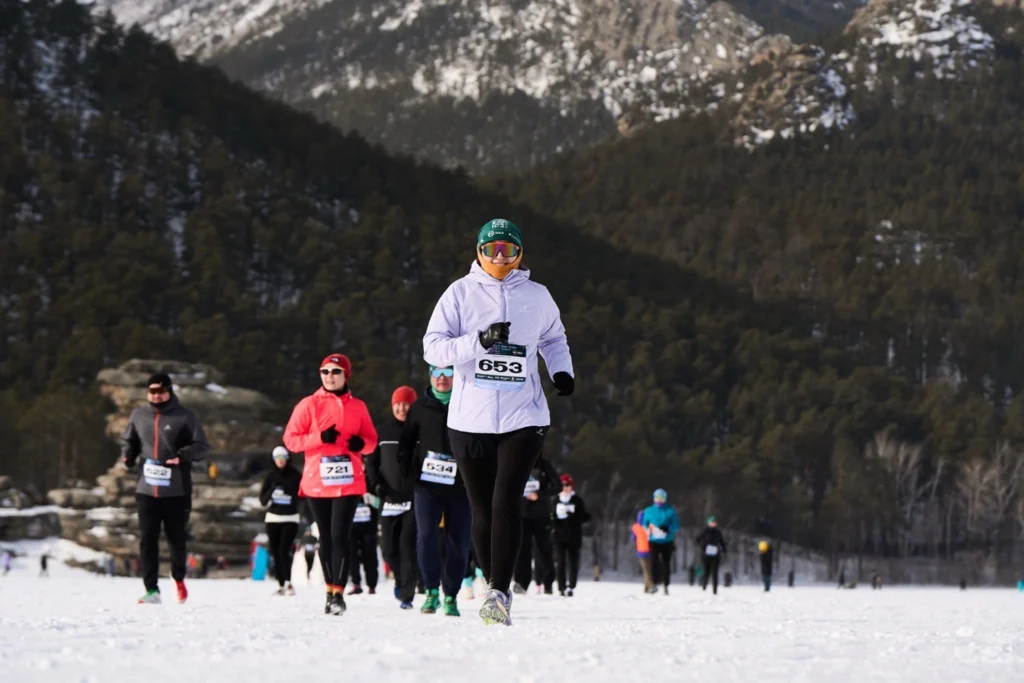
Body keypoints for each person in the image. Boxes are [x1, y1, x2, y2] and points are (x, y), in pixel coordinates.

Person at [423, 218, 574, 626]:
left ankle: (499, 593)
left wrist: (561, 370)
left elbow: (553, 338)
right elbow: (432, 348)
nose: (500, 257)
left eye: (508, 249)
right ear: (479, 252)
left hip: (523, 415)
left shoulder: (538, 296)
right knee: (482, 509)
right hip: (469, 418)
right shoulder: (459, 293)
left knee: (506, 501)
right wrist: (479, 341)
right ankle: (494, 579)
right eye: (492, 250)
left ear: (520, 253)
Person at [283, 353, 378, 616]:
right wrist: (318, 438)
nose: (330, 376)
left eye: (335, 372)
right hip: (317, 481)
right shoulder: (308, 404)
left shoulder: (358, 406)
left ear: (346, 375)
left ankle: (339, 592)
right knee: (326, 537)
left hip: (348, 482)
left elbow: (371, 440)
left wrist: (362, 445)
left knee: (340, 535)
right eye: (325, 371)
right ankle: (329, 590)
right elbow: (291, 440)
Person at [121, 372, 209, 605]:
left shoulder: (185, 416)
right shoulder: (139, 415)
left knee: (176, 539)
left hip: (177, 490)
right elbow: (128, 441)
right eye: (152, 392)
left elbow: (201, 446)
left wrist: (182, 456)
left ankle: (178, 577)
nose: (156, 396)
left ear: (169, 391)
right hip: (146, 489)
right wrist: (127, 456)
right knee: (147, 538)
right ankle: (152, 589)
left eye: (161, 391)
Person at [399, 365, 473, 617]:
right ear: (429, 375)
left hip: (461, 486)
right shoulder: (419, 407)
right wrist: (408, 474)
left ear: (457, 376)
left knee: (459, 541)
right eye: (437, 372)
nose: (442, 378)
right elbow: (406, 444)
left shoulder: (469, 402)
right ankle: (431, 592)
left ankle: (451, 595)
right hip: (427, 485)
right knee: (426, 536)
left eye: (448, 372)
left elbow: (484, 441)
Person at [365, 385, 419, 609]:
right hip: (388, 498)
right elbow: (371, 463)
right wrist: (375, 483)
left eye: (406, 403)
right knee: (389, 550)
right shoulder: (382, 431)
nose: (401, 408)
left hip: (414, 498)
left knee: (407, 546)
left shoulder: (420, 431)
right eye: (397, 404)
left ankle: (407, 594)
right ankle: (400, 578)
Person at [258, 446, 301, 595]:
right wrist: (272, 490)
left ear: (287, 459)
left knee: (284, 550)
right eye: (277, 459)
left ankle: (288, 582)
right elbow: (262, 500)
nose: (280, 461)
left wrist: (288, 490)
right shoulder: (270, 476)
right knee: (275, 551)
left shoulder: (295, 475)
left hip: (290, 518)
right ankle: (280, 583)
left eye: (283, 458)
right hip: (273, 518)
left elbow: (301, 495)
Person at [514, 454, 560, 594]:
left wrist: (539, 494)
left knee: (543, 549)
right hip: (522, 514)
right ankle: (521, 583)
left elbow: (557, 486)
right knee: (522, 550)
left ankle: (548, 583)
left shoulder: (545, 465)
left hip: (542, 514)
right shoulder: (516, 463)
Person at [551, 473, 590, 597]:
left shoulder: (577, 500)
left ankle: (571, 585)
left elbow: (586, 516)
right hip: (559, 537)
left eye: (567, 485)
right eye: (562, 485)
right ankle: (561, 587)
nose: (565, 487)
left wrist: (573, 516)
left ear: (571, 486)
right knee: (560, 562)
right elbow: (549, 517)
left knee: (573, 562)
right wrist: (554, 518)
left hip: (574, 536)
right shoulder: (555, 500)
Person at [642, 489, 680, 595]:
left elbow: (676, 526)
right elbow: (644, 524)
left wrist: (668, 528)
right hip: (653, 540)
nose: (659, 500)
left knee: (666, 563)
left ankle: (666, 585)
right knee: (653, 562)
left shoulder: (670, 511)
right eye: (657, 498)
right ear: (654, 498)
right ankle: (653, 584)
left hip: (667, 541)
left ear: (665, 499)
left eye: (661, 498)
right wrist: (649, 529)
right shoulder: (649, 510)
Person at [347, 500, 379, 594]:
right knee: (352, 556)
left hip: (369, 527)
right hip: (351, 527)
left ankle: (372, 585)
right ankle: (356, 584)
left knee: (370, 556)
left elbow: (377, 503)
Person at [695, 516, 727, 595]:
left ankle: (715, 589)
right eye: (711, 522)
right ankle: (704, 585)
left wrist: (724, 549)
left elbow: (721, 541)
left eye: (714, 522)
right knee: (706, 571)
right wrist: (703, 546)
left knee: (715, 572)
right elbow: (697, 540)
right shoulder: (704, 531)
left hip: (715, 554)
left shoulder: (718, 532)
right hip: (706, 554)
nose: (713, 524)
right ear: (708, 523)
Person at [631, 511, 654, 593]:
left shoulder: (635, 527)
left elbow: (633, 538)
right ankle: (649, 586)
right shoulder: (650, 526)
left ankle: (647, 587)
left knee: (645, 569)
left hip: (640, 551)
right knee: (648, 569)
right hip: (650, 550)